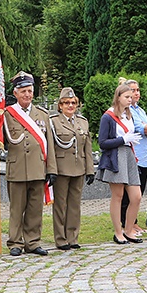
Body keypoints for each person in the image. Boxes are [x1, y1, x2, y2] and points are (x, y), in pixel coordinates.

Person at [97, 83, 147, 244]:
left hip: (129, 155)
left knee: (136, 196)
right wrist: (123, 139)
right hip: (116, 155)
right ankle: (118, 232)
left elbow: (139, 131)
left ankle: (129, 230)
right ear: (118, 97)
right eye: (126, 97)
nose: (130, 99)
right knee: (118, 196)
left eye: (131, 96)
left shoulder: (130, 115)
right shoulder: (108, 116)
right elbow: (102, 142)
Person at [3, 71, 56, 256]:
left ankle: (32, 242)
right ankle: (15, 243)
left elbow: (50, 144)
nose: (27, 95)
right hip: (17, 168)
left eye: (30, 91)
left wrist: (52, 170)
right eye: (23, 91)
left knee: (35, 209)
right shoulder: (7, 114)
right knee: (16, 209)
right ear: (15, 93)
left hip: (38, 168)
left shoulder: (42, 114)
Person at [49, 87, 94, 250]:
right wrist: (51, 170)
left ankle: (72, 237)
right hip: (61, 169)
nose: (70, 105)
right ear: (60, 105)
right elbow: (51, 148)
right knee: (60, 205)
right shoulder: (53, 122)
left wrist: (90, 170)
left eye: (73, 102)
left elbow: (87, 149)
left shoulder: (83, 122)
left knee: (74, 205)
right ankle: (61, 239)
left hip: (78, 168)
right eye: (66, 103)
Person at [119, 79, 147, 238]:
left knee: (139, 192)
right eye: (132, 90)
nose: (136, 93)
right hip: (134, 156)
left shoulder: (141, 110)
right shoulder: (127, 112)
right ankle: (127, 223)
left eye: (138, 90)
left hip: (145, 156)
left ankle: (133, 222)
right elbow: (142, 128)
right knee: (130, 195)